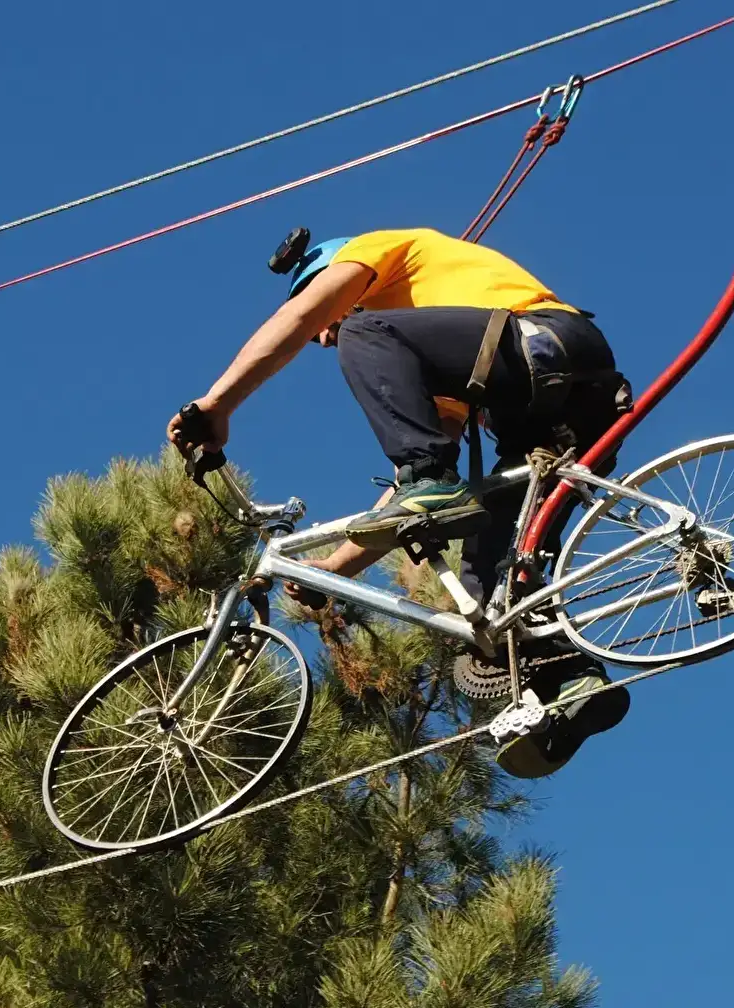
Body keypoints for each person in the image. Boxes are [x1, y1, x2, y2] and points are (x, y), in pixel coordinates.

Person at [166, 227, 629, 778]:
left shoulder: (375, 256)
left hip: (544, 344)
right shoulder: (437, 345)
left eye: (323, 314)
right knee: (491, 595)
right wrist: (337, 567)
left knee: (365, 335)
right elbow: (430, 458)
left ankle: (436, 491)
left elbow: (302, 321)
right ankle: (572, 685)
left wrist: (216, 405)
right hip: (568, 410)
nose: (324, 339)